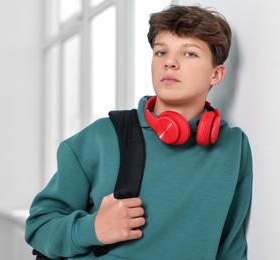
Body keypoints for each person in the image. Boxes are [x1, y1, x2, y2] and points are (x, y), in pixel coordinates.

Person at [25, 5, 253, 260]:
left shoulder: (233, 147)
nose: (169, 62)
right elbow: (39, 226)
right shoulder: (101, 137)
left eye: (189, 53)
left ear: (216, 74)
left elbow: (231, 247)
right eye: (161, 51)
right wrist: (93, 229)